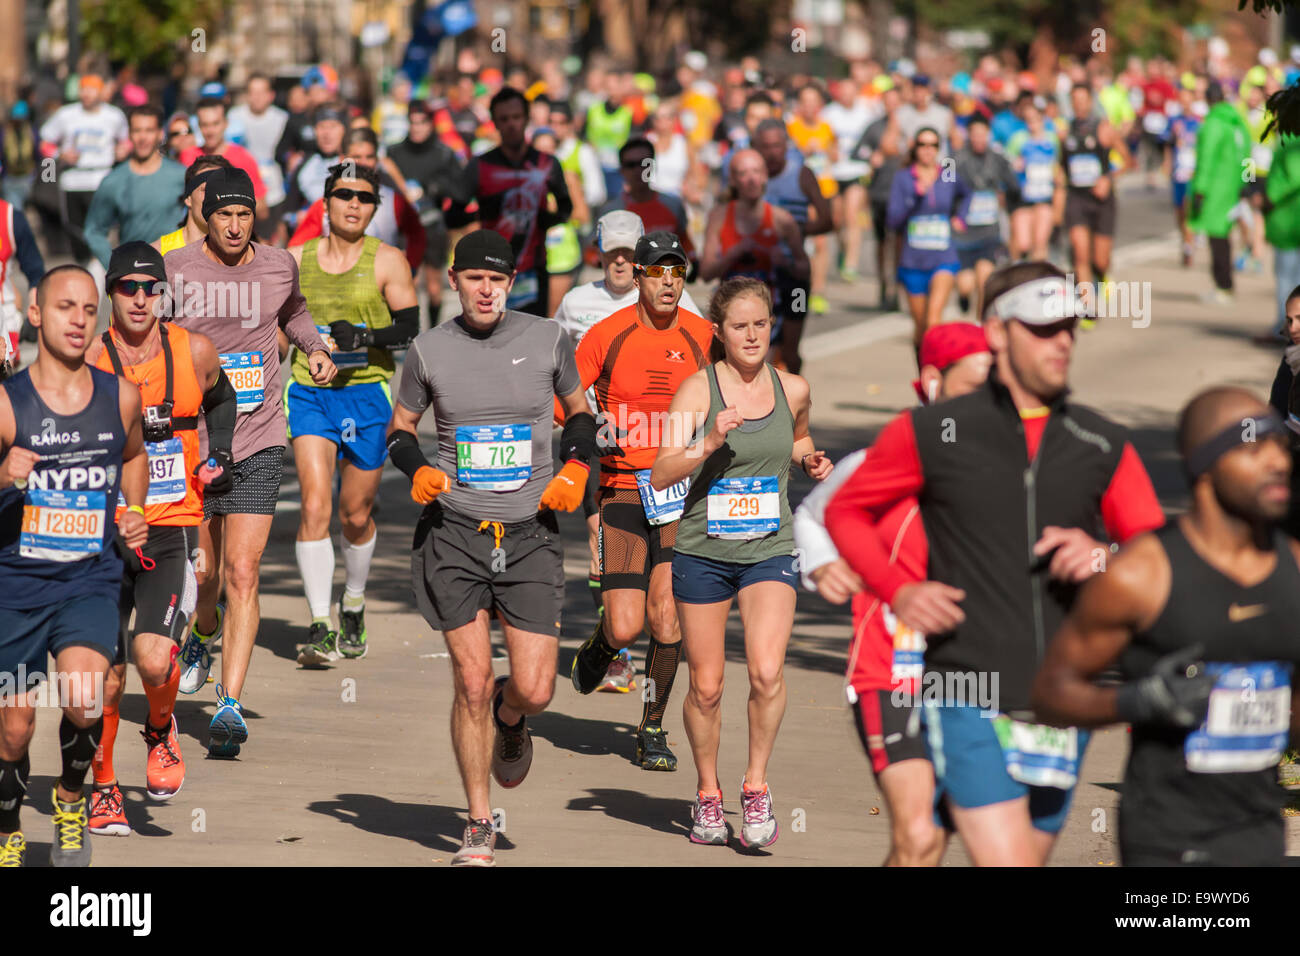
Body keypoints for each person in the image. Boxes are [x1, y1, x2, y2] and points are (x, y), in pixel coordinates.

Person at [824, 261, 1164, 866]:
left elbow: (1159, 554)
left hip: (1065, 701)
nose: (1062, 341)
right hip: (965, 690)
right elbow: (845, 512)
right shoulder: (933, 432)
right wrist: (899, 590)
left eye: (1069, 327)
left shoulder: (1102, 443)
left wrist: (1105, 554)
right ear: (998, 333)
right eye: (1043, 327)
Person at [387, 230, 597, 867]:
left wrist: (576, 468)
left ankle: (514, 719)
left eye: (497, 279)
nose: (485, 289)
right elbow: (400, 430)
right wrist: (416, 469)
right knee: (471, 683)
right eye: (473, 277)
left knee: (534, 689)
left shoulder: (548, 339)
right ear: (453, 281)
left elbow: (581, 415)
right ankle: (478, 822)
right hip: (454, 534)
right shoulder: (427, 350)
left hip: (530, 534)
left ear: (512, 283)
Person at [1032, 387, 1300, 866]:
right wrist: (1138, 700)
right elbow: (1052, 694)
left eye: (1280, 446)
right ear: (1205, 468)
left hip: (1261, 833)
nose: (1277, 461)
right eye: (1254, 449)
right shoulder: (1141, 575)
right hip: (1167, 838)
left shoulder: (1294, 567)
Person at [792, 322, 992, 865]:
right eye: (977, 387)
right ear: (931, 380)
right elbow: (812, 513)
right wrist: (823, 563)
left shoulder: (1008, 468)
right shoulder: (882, 461)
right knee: (921, 834)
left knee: (935, 839)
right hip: (891, 674)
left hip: (977, 679)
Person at [649, 275, 832, 848]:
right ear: (719, 332)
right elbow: (660, 471)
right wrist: (704, 445)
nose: (752, 335)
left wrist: (810, 463)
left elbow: (798, 438)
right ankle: (708, 793)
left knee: (766, 671)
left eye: (760, 324)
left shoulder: (793, 388)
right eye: (739, 326)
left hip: (769, 550)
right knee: (705, 686)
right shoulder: (697, 393)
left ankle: (755, 785)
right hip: (703, 553)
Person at [166, 167, 336, 757]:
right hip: (194, 441)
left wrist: (314, 348)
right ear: (205, 217)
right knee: (206, 575)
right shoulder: (177, 269)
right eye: (224, 215)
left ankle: (229, 703)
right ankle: (201, 634)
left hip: (261, 436)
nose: (235, 226)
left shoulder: (279, 264)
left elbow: (294, 311)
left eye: (244, 215)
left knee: (242, 571)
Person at [84, 243, 236, 835]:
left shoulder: (193, 350)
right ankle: (102, 789)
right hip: (99, 533)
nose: (141, 298)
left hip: (170, 526)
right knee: (101, 672)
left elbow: (220, 396)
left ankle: (162, 725)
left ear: (164, 292)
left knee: (151, 660)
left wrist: (218, 451)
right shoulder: (89, 361)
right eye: (128, 287)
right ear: (110, 293)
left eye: (151, 287)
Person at [0, 264, 149, 867]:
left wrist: (134, 509)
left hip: (88, 578)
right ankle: (8, 821)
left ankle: (69, 801)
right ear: (36, 314)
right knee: (12, 728)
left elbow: (135, 456)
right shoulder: (8, 405)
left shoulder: (122, 397)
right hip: (14, 586)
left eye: (89, 310)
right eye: (66, 308)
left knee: (86, 699)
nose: (80, 321)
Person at [567, 232, 711, 764]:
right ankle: (604, 645)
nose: (669, 282)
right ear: (640, 278)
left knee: (667, 617)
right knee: (627, 624)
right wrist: (592, 428)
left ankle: (652, 728)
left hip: (682, 493)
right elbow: (566, 395)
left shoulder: (703, 336)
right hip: (624, 489)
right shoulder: (608, 334)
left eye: (677, 272)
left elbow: (737, 390)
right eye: (658, 272)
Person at [287, 163, 418, 664]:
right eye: (343, 194)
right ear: (326, 202)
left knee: (355, 514)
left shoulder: (387, 261)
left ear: (374, 207)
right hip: (309, 394)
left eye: (364, 197)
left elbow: (409, 327)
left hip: (367, 397)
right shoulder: (297, 260)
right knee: (316, 506)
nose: (353, 204)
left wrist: (363, 337)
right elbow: (279, 329)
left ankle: (354, 601)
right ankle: (320, 624)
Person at [464, 88, 573, 316]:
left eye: (516, 117)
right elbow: (452, 214)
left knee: (532, 339)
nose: (511, 124)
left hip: (535, 268)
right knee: (492, 341)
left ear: (526, 119)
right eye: (504, 119)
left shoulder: (547, 163)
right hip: (492, 272)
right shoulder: (479, 166)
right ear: (494, 123)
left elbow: (566, 206)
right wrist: (482, 213)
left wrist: (546, 220)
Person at [701, 149, 810, 370]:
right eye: (743, 173)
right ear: (733, 179)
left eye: (756, 172)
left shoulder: (782, 219)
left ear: (765, 176)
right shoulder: (720, 216)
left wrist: (783, 262)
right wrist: (734, 253)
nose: (751, 179)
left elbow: (804, 269)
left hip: (769, 309)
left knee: (767, 367)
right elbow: (705, 272)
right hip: (730, 311)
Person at [289, 127, 426, 271]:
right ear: (343, 159)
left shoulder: (394, 201)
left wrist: (409, 268)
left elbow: (417, 235)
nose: (364, 163)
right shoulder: (326, 203)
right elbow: (297, 248)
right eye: (357, 157)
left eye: (369, 157)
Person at [754, 118, 833, 368]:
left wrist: (795, 231)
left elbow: (828, 220)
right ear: (756, 147)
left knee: (790, 347)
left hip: (795, 275)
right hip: (758, 273)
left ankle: (793, 397)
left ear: (786, 145)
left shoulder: (802, 174)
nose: (772, 152)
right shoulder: (748, 176)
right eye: (766, 146)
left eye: (778, 145)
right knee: (758, 347)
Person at [388, 100, 473, 325]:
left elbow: (462, 191)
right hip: (403, 228)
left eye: (422, 122)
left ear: (431, 124)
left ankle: (433, 331)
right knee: (406, 284)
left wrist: (437, 187)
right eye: (413, 122)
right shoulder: (394, 154)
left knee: (435, 288)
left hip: (434, 226)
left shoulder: (444, 154)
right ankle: (405, 335)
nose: (417, 128)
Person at [887, 128, 968, 348]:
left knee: (933, 322)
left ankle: (938, 379)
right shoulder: (904, 178)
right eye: (922, 144)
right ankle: (923, 372)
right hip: (913, 262)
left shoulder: (947, 172)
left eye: (933, 145)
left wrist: (960, 217)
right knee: (921, 329)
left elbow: (966, 193)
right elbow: (893, 221)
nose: (927, 150)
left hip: (943, 258)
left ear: (938, 148)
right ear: (915, 148)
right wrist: (915, 197)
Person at [37, 74, 129, 267]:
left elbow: (126, 141)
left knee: (100, 231)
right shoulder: (66, 114)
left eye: (92, 89)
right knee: (76, 232)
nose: (86, 94)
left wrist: (123, 150)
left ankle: (100, 269)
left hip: (102, 178)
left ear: (102, 92)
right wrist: (60, 154)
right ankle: (86, 267)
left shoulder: (114, 115)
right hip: (73, 180)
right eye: (83, 89)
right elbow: (44, 142)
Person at [84, 105, 186, 269]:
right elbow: (94, 231)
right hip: (135, 274)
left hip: (175, 270)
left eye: (149, 130)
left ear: (160, 134)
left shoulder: (180, 175)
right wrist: (115, 265)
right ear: (129, 134)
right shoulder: (113, 181)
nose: (143, 137)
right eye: (137, 130)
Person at [1188, 82, 1251, 307]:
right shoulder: (1237, 122)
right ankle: (1225, 285)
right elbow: (1248, 153)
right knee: (1224, 235)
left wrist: (1200, 189)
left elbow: (1206, 159)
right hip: (1234, 187)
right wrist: (1247, 182)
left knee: (1217, 238)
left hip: (1216, 188)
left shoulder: (1213, 123)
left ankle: (1223, 286)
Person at [1060, 84, 1118, 313]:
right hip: (1076, 197)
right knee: (1080, 252)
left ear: (1090, 102)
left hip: (1102, 200)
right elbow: (1060, 166)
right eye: (1075, 99)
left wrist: (1108, 179)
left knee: (1100, 260)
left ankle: (1103, 274)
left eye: (1083, 99)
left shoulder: (1103, 129)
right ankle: (1088, 308)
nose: (1079, 104)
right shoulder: (1065, 132)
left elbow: (1127, 160)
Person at [953, 115, 1017, 316]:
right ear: (969, 136)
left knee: (985, 281)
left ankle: (981, 326)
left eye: (984, 135)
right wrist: (952, 215)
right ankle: (963, 297)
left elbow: (1015, 185)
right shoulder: (953, 159)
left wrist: (1004, 195)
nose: (980, 139)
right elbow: (943, 189)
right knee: (965, 285)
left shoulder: (998, 158)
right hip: (963, 234)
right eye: (975, 134)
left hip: (989, 232)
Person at [853, 85, 904, 310]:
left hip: (904, 194)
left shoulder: (908, 127)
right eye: (888, 101)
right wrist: (870, 156)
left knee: (900, 243)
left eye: (896, 101)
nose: (891, 106)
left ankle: (900, 288)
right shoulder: (874, 128)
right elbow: (857, 151)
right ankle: (884, 285)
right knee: (883, 241)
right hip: (881, 192)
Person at [179, 98, 267, 218]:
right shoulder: (187, 156)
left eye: (215, 123)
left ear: (226, 123)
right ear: (198, 126)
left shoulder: (244, 158)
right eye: (205, 125)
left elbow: (262, 209)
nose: (210, 131)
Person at [227, 73, 290, 234]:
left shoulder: (282, 118)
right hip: (241, 187)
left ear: (271, 95)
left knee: (270, 238)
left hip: (274, 188)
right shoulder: (234, 117)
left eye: (262, 92)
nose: (257, 97)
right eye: (253, 92)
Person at [1006, 98, 1060, 262]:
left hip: (1044, 196)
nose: (1032, 124)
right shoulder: (1018, 140)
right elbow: (1007, 164)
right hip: (1023, 196)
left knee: (1040, 242)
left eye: (1035, 119)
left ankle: (1040, 281)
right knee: (1023, 244)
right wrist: (1015, 166)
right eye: (1028, 120)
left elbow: (1058, 167)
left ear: (1042, 119)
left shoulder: (1052, 139)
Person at [153, 154, 232, 255]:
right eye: (207, 189)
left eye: (222, 190)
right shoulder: (159, 254)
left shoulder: (247, 255)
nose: (216, 197)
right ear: (188, 199)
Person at [1167, 84, 1202, 268]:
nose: (1185, 104)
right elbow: (1167, 145)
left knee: (1189, 211)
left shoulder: (1199, 123)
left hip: (1192, 174)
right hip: (1177, 173)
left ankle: (1189, 246)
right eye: (1182, 101)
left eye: (1188, 101)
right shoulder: (1173, 121)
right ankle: (1185, 240)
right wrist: (1166, 166)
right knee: (1179, 212)